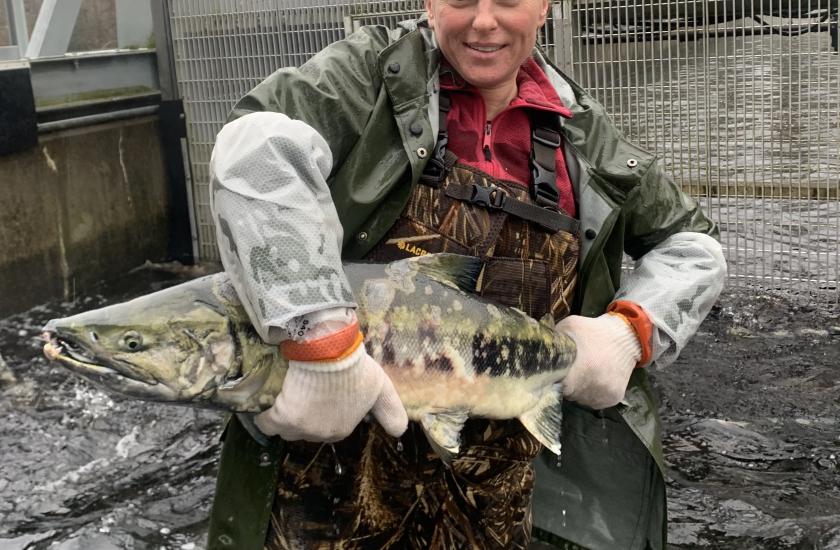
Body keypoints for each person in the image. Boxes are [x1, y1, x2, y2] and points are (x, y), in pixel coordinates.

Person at [206, 0, 726, 548]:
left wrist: (629, 331)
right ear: (429, 4)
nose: (483, 21)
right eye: (460, 0)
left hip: (497, 495)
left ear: (544, 8)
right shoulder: (364, 77)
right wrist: (319, 344)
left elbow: (692, 246)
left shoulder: (586, 137)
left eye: (507, 0)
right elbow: (253, 149)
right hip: (321, 480)